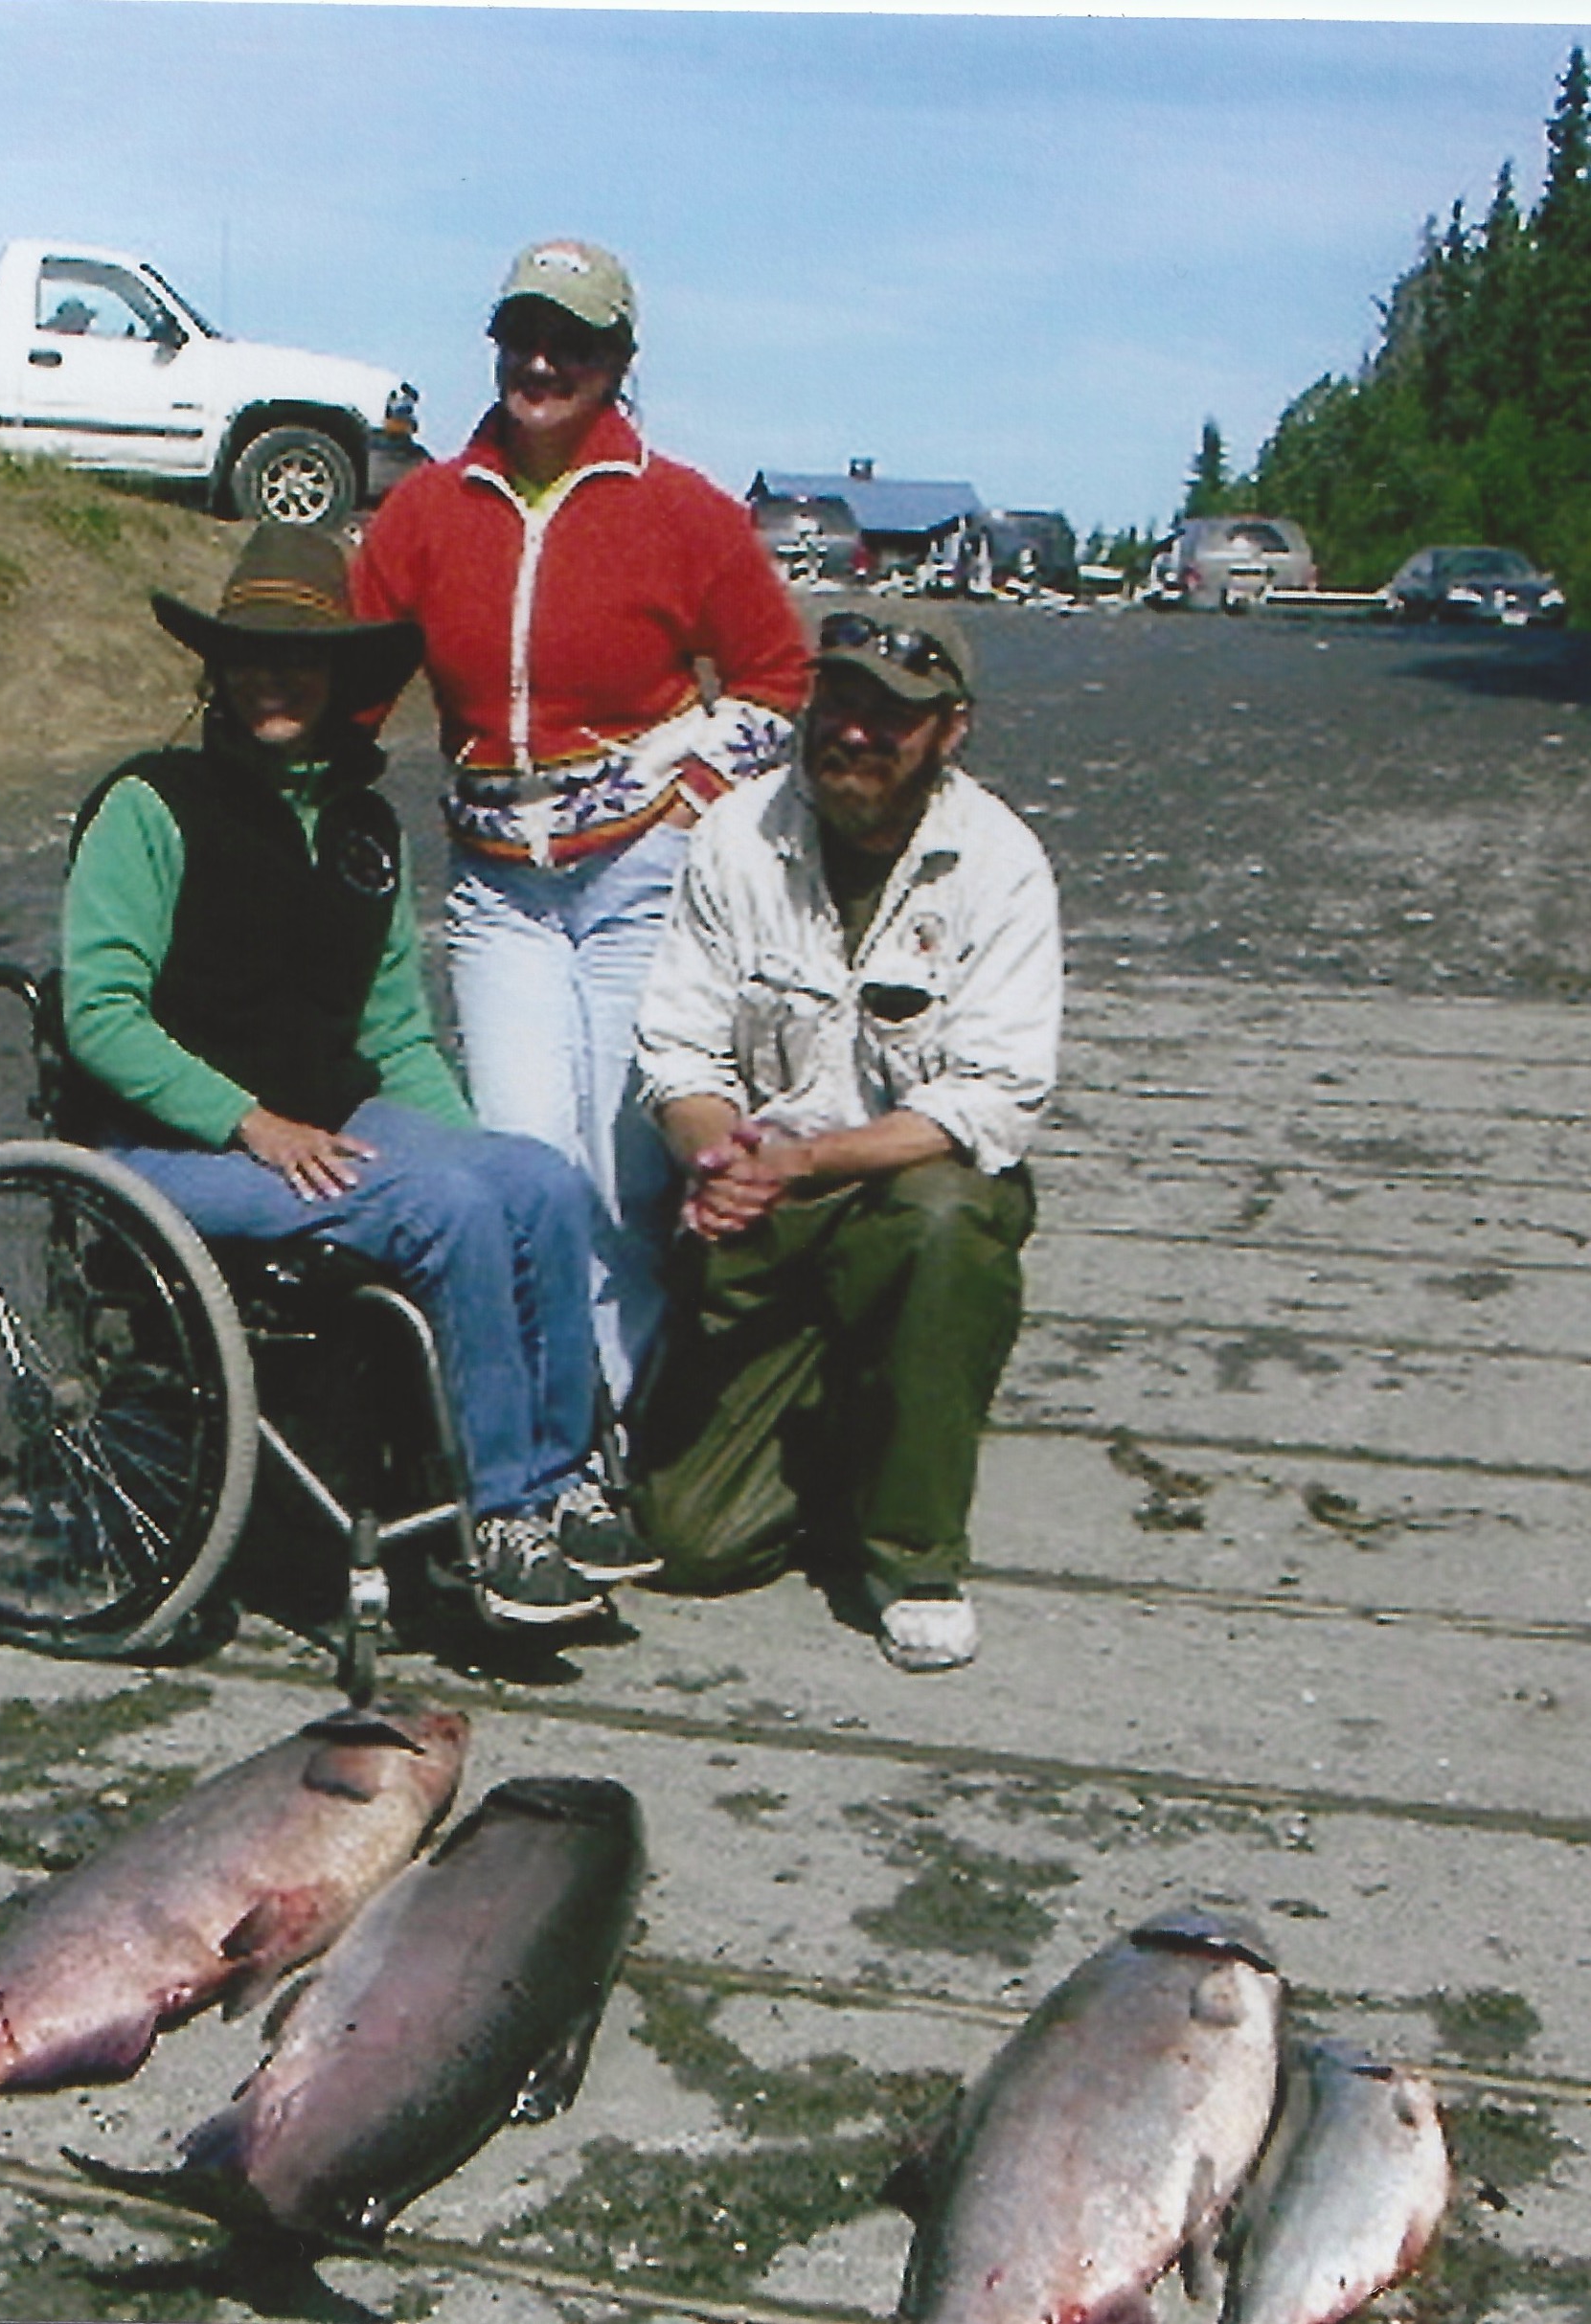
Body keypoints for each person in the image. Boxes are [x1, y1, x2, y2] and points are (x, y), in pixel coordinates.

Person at [56, 522, 628, 1630]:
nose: (273, 678)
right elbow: (99, 1016)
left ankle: (564, 1481)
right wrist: (248, 1120)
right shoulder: (151, 805)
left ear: (336, 676)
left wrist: (470, 1148)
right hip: (162, 1145)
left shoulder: (363, 826)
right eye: (250, 655)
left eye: (300, 658)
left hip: (324, 1121)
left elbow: (394, 1031)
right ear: (216, 668)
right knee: (446, 1206)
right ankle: (498, 1517)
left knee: (536, 1182)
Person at [351, 237, 812, 1411]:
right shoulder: (423, 511)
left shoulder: (683, 509)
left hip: (640, 878)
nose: (542, 364)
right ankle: (554, 1435)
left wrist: (689, 802)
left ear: (618, 362)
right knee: (527, 1164)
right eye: (522, 337)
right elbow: (349, 682)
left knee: (623, 1175)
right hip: (496, 889)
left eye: (574, 344)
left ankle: (627, 1430)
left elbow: (775, 679)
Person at [622, 606, 1060, 1672]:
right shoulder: (735, 834)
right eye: (838, 704)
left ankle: (916, 1557)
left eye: (891, 716)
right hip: (764, 1212)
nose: (855, 733)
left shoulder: (999, 862)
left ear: (950, 729)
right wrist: (717, 1159)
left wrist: (803, 1163)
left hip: (900, 1191)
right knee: (687, 1544)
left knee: (946, 1220)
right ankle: (851, 1435)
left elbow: (994, 1099)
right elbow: (677, 1053)